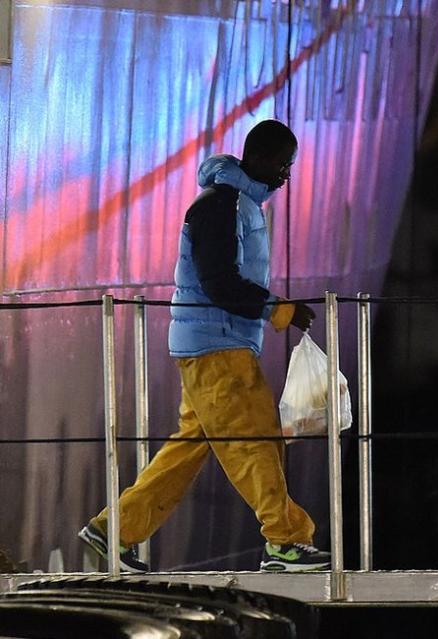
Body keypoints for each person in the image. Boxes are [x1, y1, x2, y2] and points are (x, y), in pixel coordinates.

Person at [79, 119, 328, 572]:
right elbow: (219, 282)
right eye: (280, 162)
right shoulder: (223, 206)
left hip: (211, 343)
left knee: (189, 447)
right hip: (220, 346)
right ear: (256, 156)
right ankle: (285, 540)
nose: (285, 173)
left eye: (289, 165)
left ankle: (114, 530)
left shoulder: (234, 203)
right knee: (254, 441)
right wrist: (281, 311)